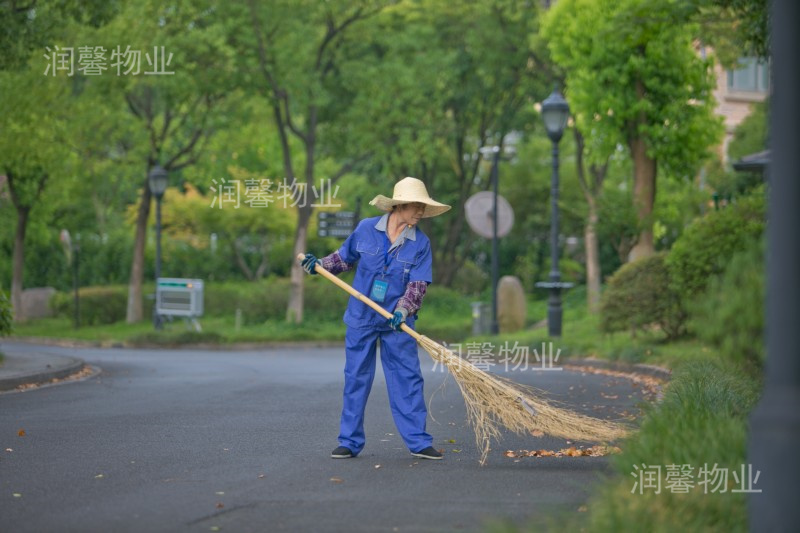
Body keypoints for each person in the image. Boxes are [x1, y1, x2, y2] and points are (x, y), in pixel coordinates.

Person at [301, 177, 451, 460]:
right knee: (356, 377)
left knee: (408, 378)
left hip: (398, 323)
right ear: (400, 205)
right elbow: (343, 259)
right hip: (361, 318)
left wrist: (403, 310)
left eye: (423, 207)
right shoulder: (366, 230)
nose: (421, 212)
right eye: (417, 206)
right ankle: (349, 441)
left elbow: (418, 285)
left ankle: (419, 442)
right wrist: (318, 265)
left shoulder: (421, 244)